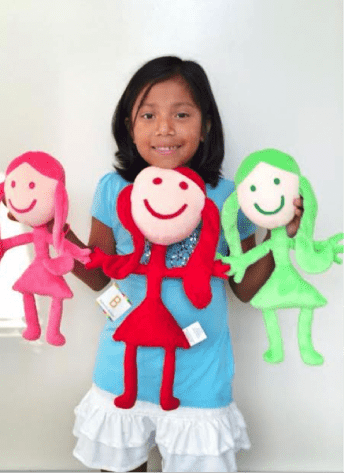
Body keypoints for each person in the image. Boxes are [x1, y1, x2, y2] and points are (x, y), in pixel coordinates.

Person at [65, 56, 302, 472]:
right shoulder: (113, 188)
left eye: (181, 114)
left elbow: (245, 290)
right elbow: (102, 278)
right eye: (148, 115)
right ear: (128, 125)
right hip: (123, 369)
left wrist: (278, 235)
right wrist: (59, 237)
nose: (165, 129)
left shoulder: (229, 196)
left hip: (200, 375)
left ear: (206, 124)